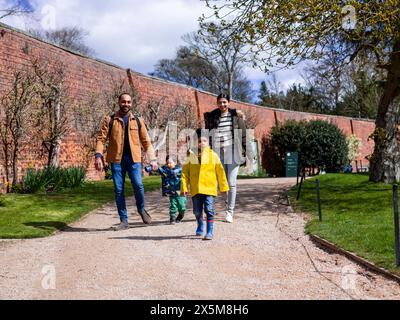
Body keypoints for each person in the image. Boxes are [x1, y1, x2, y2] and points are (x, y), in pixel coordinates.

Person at [95, 93, 158, 231]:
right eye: (123, 102)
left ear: (131, 103)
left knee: (138, 185)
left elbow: (146, 142)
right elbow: (101, 139)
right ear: (119, 102)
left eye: (129, 102)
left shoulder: (138, 120)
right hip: (116, 160)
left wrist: (152, 159)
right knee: (119, 190)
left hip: (134, 160)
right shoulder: (110, 120)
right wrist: (98, 155)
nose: (126, 104)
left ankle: (141, 209)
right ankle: (124, 220)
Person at [204, 94, 247, 224]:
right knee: (222, 182)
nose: (222, 105)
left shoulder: (236, 117)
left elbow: (243, 135)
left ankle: (230, 212)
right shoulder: (213, 117)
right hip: (218, 152)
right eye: (220, 102)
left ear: (229, 102)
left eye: (225, 102)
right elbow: (208, 136)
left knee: (231, 181)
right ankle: (227, 203)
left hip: (233, 150)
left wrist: (245, 154)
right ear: (217, 103)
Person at [181, 129, 229, 241]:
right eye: (199, 141)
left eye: (204, 140)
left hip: (209, 188)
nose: (201, 143)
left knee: (209, 209)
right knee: (197, 211)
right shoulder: (190, 157)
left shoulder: (214, 156)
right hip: (196, 189)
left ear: (209, 142)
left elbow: (221, 173)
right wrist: (184, 187)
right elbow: (184, 174)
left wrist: (223, 188)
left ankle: (209, 231)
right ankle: (200, 224)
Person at [158, 155, 187, 225]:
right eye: (167, 163)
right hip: (171, 190)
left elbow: (177, 172)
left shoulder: (180, 169)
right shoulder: (166, 169)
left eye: (170, 163)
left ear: (175, 162)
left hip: (180, 190)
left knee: (182, 206)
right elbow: (160, 170)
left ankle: (181, 215)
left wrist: (172, 172)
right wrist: (155, 167)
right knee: (173, 205)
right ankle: (172, 218)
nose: (168, 164)